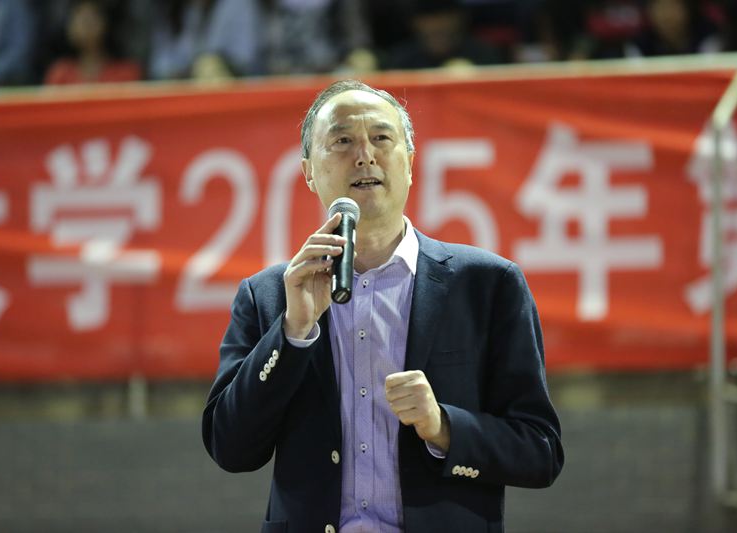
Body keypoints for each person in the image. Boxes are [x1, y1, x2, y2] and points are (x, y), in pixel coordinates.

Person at [202, 79, 563, 533]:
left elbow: (540, 450)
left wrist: (443, 427)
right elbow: (230, 448)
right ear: (308, 171)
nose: (364, 155)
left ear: (410, 164)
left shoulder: (488, 285)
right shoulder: (270, 295)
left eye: (381, 137)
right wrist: (292, 333)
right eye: (342, 141)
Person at [44, 0, 142, 86]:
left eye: (88, 20)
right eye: (77, 20)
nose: (83, 27)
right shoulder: (60, 73)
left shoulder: (126, 72)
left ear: (105, 24)